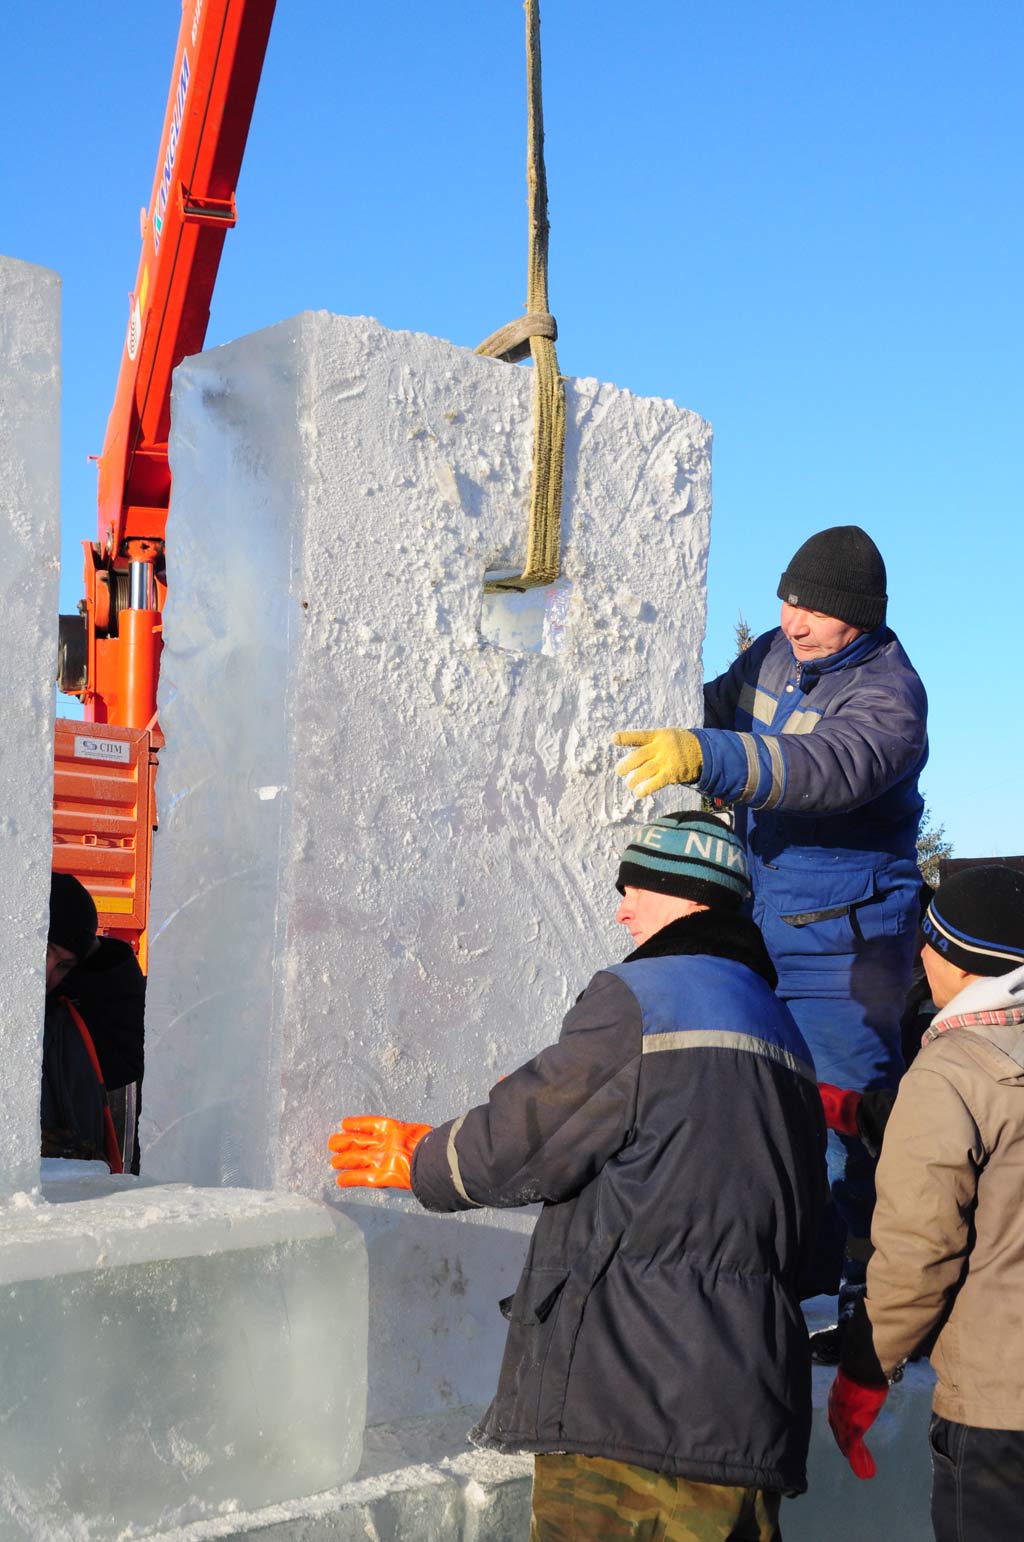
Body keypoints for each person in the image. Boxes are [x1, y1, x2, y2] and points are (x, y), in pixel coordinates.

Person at [328, 812, 827, 1541]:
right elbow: (810, 1243)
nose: (622, 907)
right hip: (749, 1414)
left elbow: (526, 1139)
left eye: (637, 888)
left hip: (630, 1408)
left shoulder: (640, 995)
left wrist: (424, 1158)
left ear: (690, 897)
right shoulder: (784, 1033)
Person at [613, 526, 928, 1349]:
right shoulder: (773, 661)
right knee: (755, 1115)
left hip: (845, 951)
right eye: (790, 600)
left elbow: (823, 769)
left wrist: (707, 756)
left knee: (846, 1130)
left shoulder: (892, 698)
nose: (794, 622)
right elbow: (712, 708)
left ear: (861, 620)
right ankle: (773, 1295)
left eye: (817, 612)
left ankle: (863, 1312)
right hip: (762, 927)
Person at [827, 865, 1024, 1542]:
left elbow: (918, 1255)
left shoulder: (950, 1072)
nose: (920, 954)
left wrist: (862, 1374)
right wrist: (870, 1113)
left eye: (933, 942)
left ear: (968, 964)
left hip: (1003, 1419)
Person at [43, 872, 120, 1168]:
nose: (47, 975)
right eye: (44, 950)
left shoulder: (63, 1023)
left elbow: (127, 1053)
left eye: (64, 965)